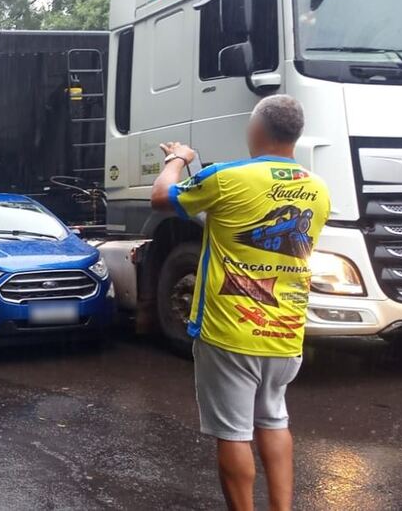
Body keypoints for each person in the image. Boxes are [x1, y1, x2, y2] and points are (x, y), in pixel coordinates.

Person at [150, 95, 330, 511]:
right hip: (286, 332)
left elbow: (162, 198)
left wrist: (177, 159)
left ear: (257, 129)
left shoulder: (226, 177)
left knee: (233, 432)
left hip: (231, 329)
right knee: (273, 419)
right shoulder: (318, 188)